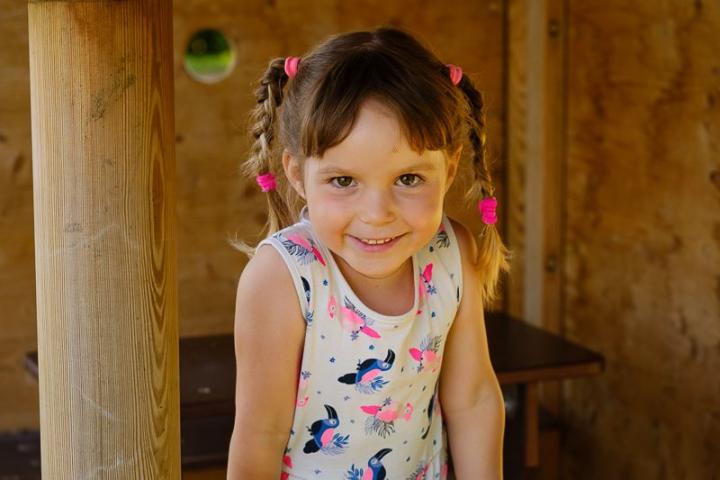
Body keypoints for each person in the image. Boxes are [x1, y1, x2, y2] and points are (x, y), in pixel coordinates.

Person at [226, 25, 512, 480]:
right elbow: (260, 435)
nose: (377, 215)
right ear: (297, 175)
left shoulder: (450, 253)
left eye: (408, 179)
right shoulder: (281, 278)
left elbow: (473, 398)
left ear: (449, 167)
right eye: (343, 181)